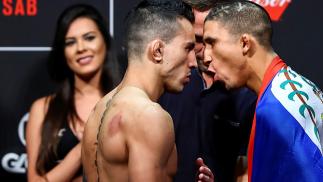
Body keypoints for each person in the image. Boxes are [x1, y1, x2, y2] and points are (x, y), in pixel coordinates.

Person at [82, 0, 214, 181]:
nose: (193, 61)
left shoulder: (98, 111)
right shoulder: (150, 116)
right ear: (157, 50)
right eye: (188, 48)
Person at [204, 1, 323, 181]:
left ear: (245, 43)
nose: (205, 57)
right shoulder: (282, 90)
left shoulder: (279, 108)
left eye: (212, 43)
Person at [158, 0, 256, 181]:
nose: (205, 52)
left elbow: (245, 170)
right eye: (197, 40)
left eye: (212, 41)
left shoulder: (246, 95)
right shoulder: (165, 84)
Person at [26, 4, 120, 182]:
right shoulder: (43, 108)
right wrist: (83, 148)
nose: (81, 48)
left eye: (89, 38)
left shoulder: (124, 104)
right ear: (63, 52)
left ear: (105, 41)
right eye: (70, 42)